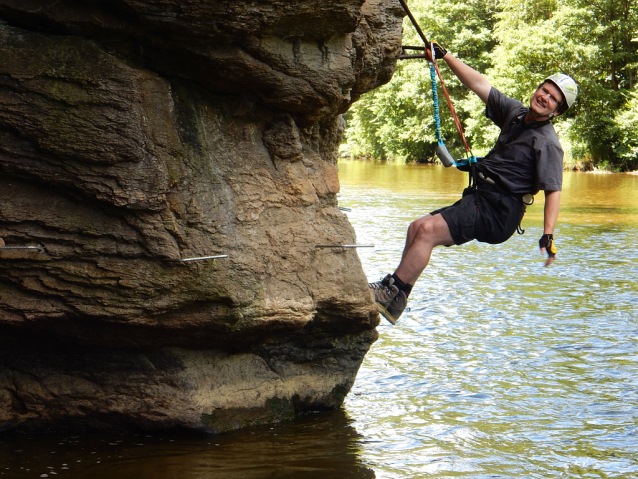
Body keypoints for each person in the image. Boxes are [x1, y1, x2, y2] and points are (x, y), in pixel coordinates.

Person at [369, 42, 578, 325]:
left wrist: (548, 234)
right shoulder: (515, 113)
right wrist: (445, 57)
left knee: (428, 231)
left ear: (556, 111)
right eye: (545, 89)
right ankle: (396, 299)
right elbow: (480, 84)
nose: (545, 97)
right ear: (537, 88)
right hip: (481, 198)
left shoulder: (548, 144)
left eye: (553, 99)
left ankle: (389, 291)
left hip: (499, 211)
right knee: (417, 227)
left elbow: (553, 191)